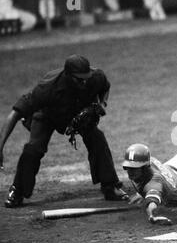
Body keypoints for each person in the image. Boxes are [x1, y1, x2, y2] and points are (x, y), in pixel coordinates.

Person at [0, 54, 129, 208]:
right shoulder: (47, 88)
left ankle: (110, 186)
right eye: (79, 79)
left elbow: (105, 88)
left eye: (86, 78)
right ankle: (18, 191)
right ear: (68, 76)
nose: (84, 82)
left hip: (77, 111)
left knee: (97, 138)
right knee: (33, 148)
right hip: (47, 115)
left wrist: (101, 103)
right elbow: (15, 113)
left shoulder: (95, 77)